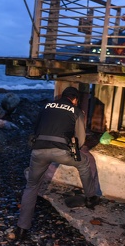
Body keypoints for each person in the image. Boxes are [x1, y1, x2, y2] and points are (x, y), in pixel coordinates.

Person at [15, 86, 102, 240]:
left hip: (38, 151)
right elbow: (80, 141)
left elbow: (36, 128)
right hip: (61, 152)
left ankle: (21, 229)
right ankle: (90, 198)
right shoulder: (76, 111)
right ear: (75, 99)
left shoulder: (46, 106)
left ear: (62, 96)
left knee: (32, 186)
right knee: (84, 163)